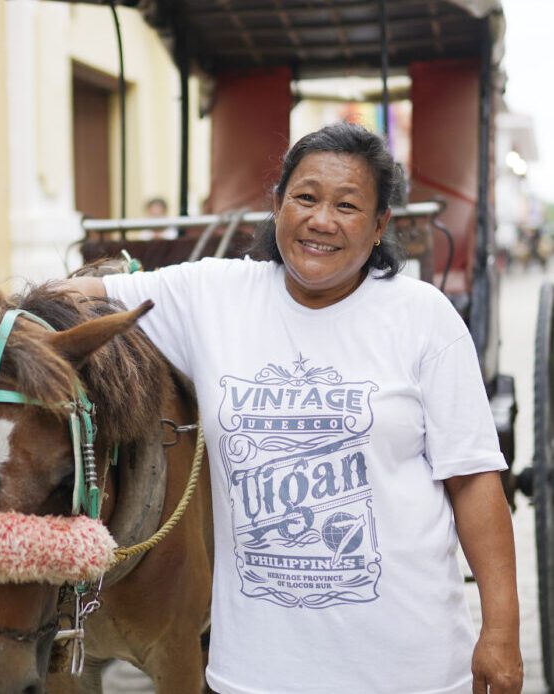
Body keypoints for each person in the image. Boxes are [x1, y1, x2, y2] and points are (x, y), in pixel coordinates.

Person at [65, 122, 523, 694]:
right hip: (256, 673)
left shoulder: (423, 318)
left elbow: (474, 479)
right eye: (305, 198)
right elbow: (80, 299)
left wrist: (501, 633)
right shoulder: (213, 295)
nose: (322, 220)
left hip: (409, 670)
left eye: (348, 205)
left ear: (380, 224)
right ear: (278, 205)